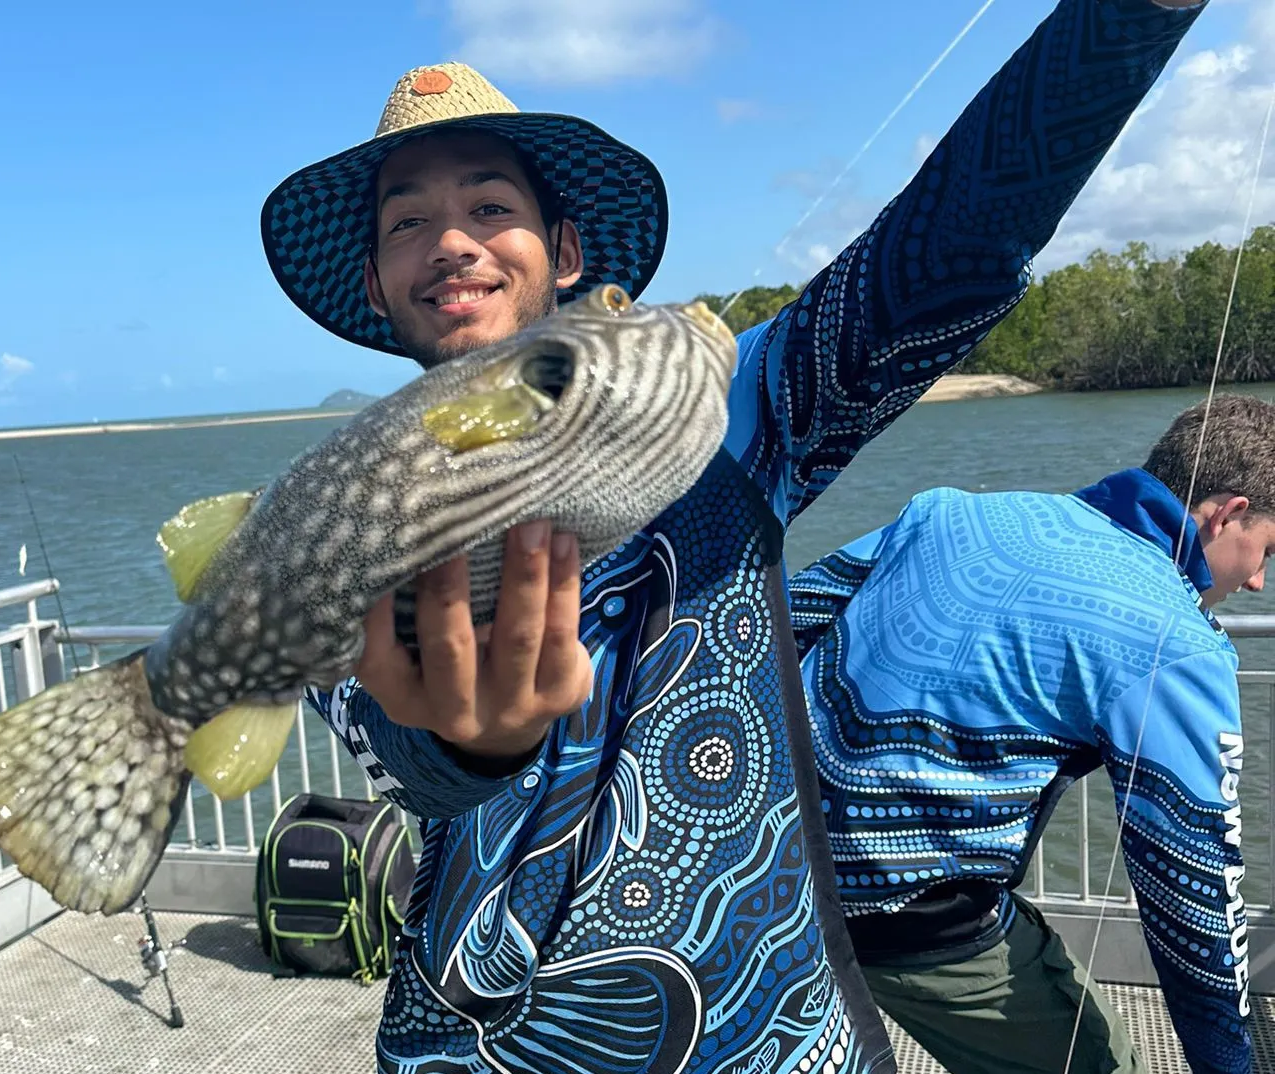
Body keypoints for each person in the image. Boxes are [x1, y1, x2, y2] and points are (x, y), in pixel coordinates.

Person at [257, 1, 1209, 1070]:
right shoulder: (335, 513)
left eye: (490, 203)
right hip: (472, 1044)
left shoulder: (720, 417)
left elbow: (950, 248)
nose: (452, 243)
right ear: (381, 284)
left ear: (564, 250)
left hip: (767, 1042)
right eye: (406, 224)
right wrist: (467, 739)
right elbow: (405, 757)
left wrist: (1133, 16)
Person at [786, 393, 1274, 1074]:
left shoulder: (946, 510)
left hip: (764, 865)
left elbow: (775, 622)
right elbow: (1192, 894)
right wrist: (1234, 1063)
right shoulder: (1179, 643)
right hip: (913, 916)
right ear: (1228, 514)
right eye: (1266, 553)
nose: (1255, 582)